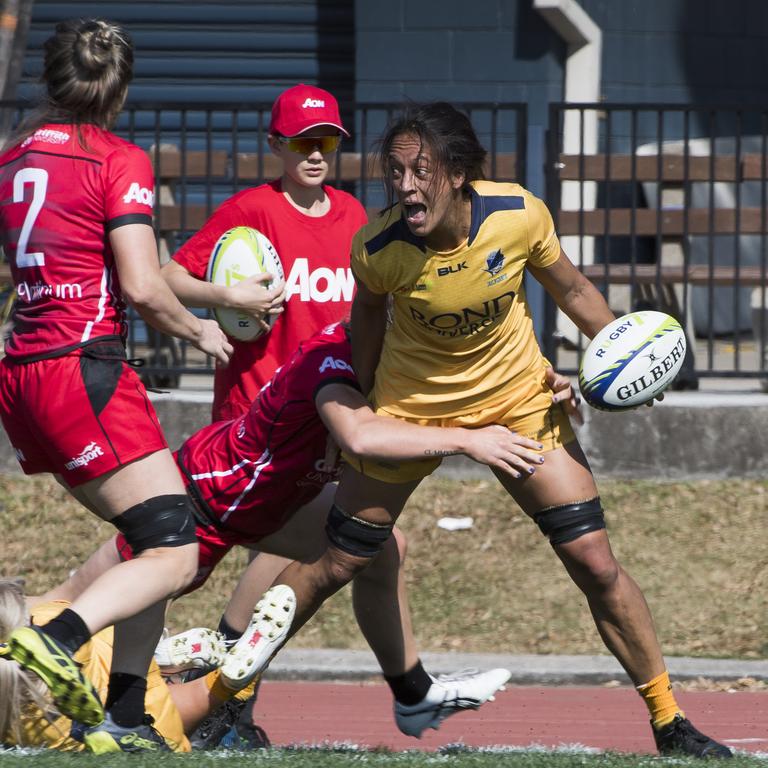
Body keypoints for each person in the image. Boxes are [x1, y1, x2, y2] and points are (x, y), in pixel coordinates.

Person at [225, 103, 734, 759]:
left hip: (518, 401)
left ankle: (671, 722)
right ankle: (230, 700)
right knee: (337, 561)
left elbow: (573, 288)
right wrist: (361, 412)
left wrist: (615, 357)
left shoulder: (518, 215)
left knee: (595, 563)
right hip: (412, 408)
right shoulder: (380, 249)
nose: (405, 186)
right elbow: (367, 328)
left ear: (459, 173)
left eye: (421, 171)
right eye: (396, 171)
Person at [42, 319, 549, 746]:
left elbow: (467, 383)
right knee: (80, 602)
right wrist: (467, 442)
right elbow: (361, 435)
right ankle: (65, 661)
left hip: (278, 502)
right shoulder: (340, 354)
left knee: (380, 546)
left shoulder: (397, 349)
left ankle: (412, 694)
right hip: (211, 495)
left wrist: (545, 385)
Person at [0, 18, 232, 753]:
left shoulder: (11, 161)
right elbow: (141, 284)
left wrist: (228, 297)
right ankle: (59, 639)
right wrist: (202, 331)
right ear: (120, 89)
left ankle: (126, 717)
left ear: (51, 79)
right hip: (84, 368)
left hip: (25, 373)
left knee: (152, 536)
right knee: (178, 547)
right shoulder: (118, 159)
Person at [161, 82, 368, 422]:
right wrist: (228, 297)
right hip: (255, 407)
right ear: (275, 145)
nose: (315, 155)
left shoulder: (352, 212)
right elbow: (168, 279)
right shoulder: (250, 210)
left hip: (330, 404)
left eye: (327, 142)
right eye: (302, 143)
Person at [0, 579, 262, 752]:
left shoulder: (33, 724)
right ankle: (169, 660)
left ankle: (195, 672)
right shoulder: (51, 615)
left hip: (124, 699)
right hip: (114, 656)